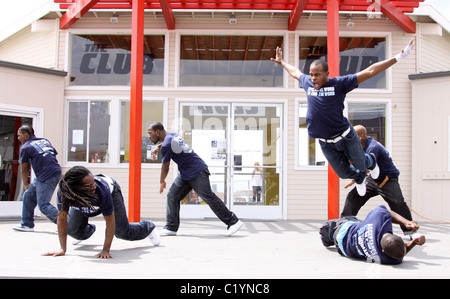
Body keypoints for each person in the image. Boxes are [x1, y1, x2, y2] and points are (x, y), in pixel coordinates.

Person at [271, 39, 415, 196]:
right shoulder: (308, 83)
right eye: (311, 75)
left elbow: (370, 71)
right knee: (343, 173)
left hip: (346, 136)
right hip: (326, 143)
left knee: (361, 164)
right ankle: (360, 178)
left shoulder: (340, 84)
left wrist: (398, 57)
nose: (313, 78)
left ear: (327, 74)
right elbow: (295, 72)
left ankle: (372, 162)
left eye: (317, 75)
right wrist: (283, 62)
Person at [148, 122, 243, 236]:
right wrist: (158, 147)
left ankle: (233, 222)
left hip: (197, 171)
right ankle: (171, 227)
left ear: (157, 132)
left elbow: (165, 167)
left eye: (150, 133)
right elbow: (167, 143)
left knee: (208, 197)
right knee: (172, 195)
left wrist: (161, 181)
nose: (149, 136)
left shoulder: (166, 145)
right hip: (186, 173)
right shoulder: (172, 135)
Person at [42, 166, 160, 259]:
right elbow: (62, 219)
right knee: (73, 231)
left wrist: (105, 250)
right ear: (76, 189)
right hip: (81, 200)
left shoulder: (102, 190)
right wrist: (63, 249)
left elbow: (110, 221)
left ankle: (148, 227)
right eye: (89, 185)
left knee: (122, 232)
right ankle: (85, 230)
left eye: (93, 182)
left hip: (112, 191)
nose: (94, 186)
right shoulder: (64, 193)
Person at [341, 125, 415, 235]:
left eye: (353, 135)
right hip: (373, 179)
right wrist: (354, 179)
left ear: (361, 136)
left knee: (398, 203)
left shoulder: (373, 147)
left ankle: (411, 232)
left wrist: (356, 178)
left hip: (387, 179)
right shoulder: (360, 146)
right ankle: (344, 226)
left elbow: (367, 166)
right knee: (353, 197)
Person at [319, 205, 425, 265]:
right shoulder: (385, 258)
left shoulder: (377, 220)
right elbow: (402, 252)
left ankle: (325, 234)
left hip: (343, 230)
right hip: (344, 250)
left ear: (400, 237)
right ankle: (327, 239)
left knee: (328, 229)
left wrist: (406, 222)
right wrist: (414, 243)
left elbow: (388, 213)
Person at [13, 125, 60, 232]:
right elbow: (52, 155)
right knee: (28, 195)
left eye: (19, 135)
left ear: (26, 135)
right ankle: (27, 224)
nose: (18, 138)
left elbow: (24, 168)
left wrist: (25, 184)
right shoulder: (44, 141)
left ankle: (67, 225)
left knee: (43, 204)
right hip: (50, 172)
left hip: (46, 175)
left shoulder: (25, 147)